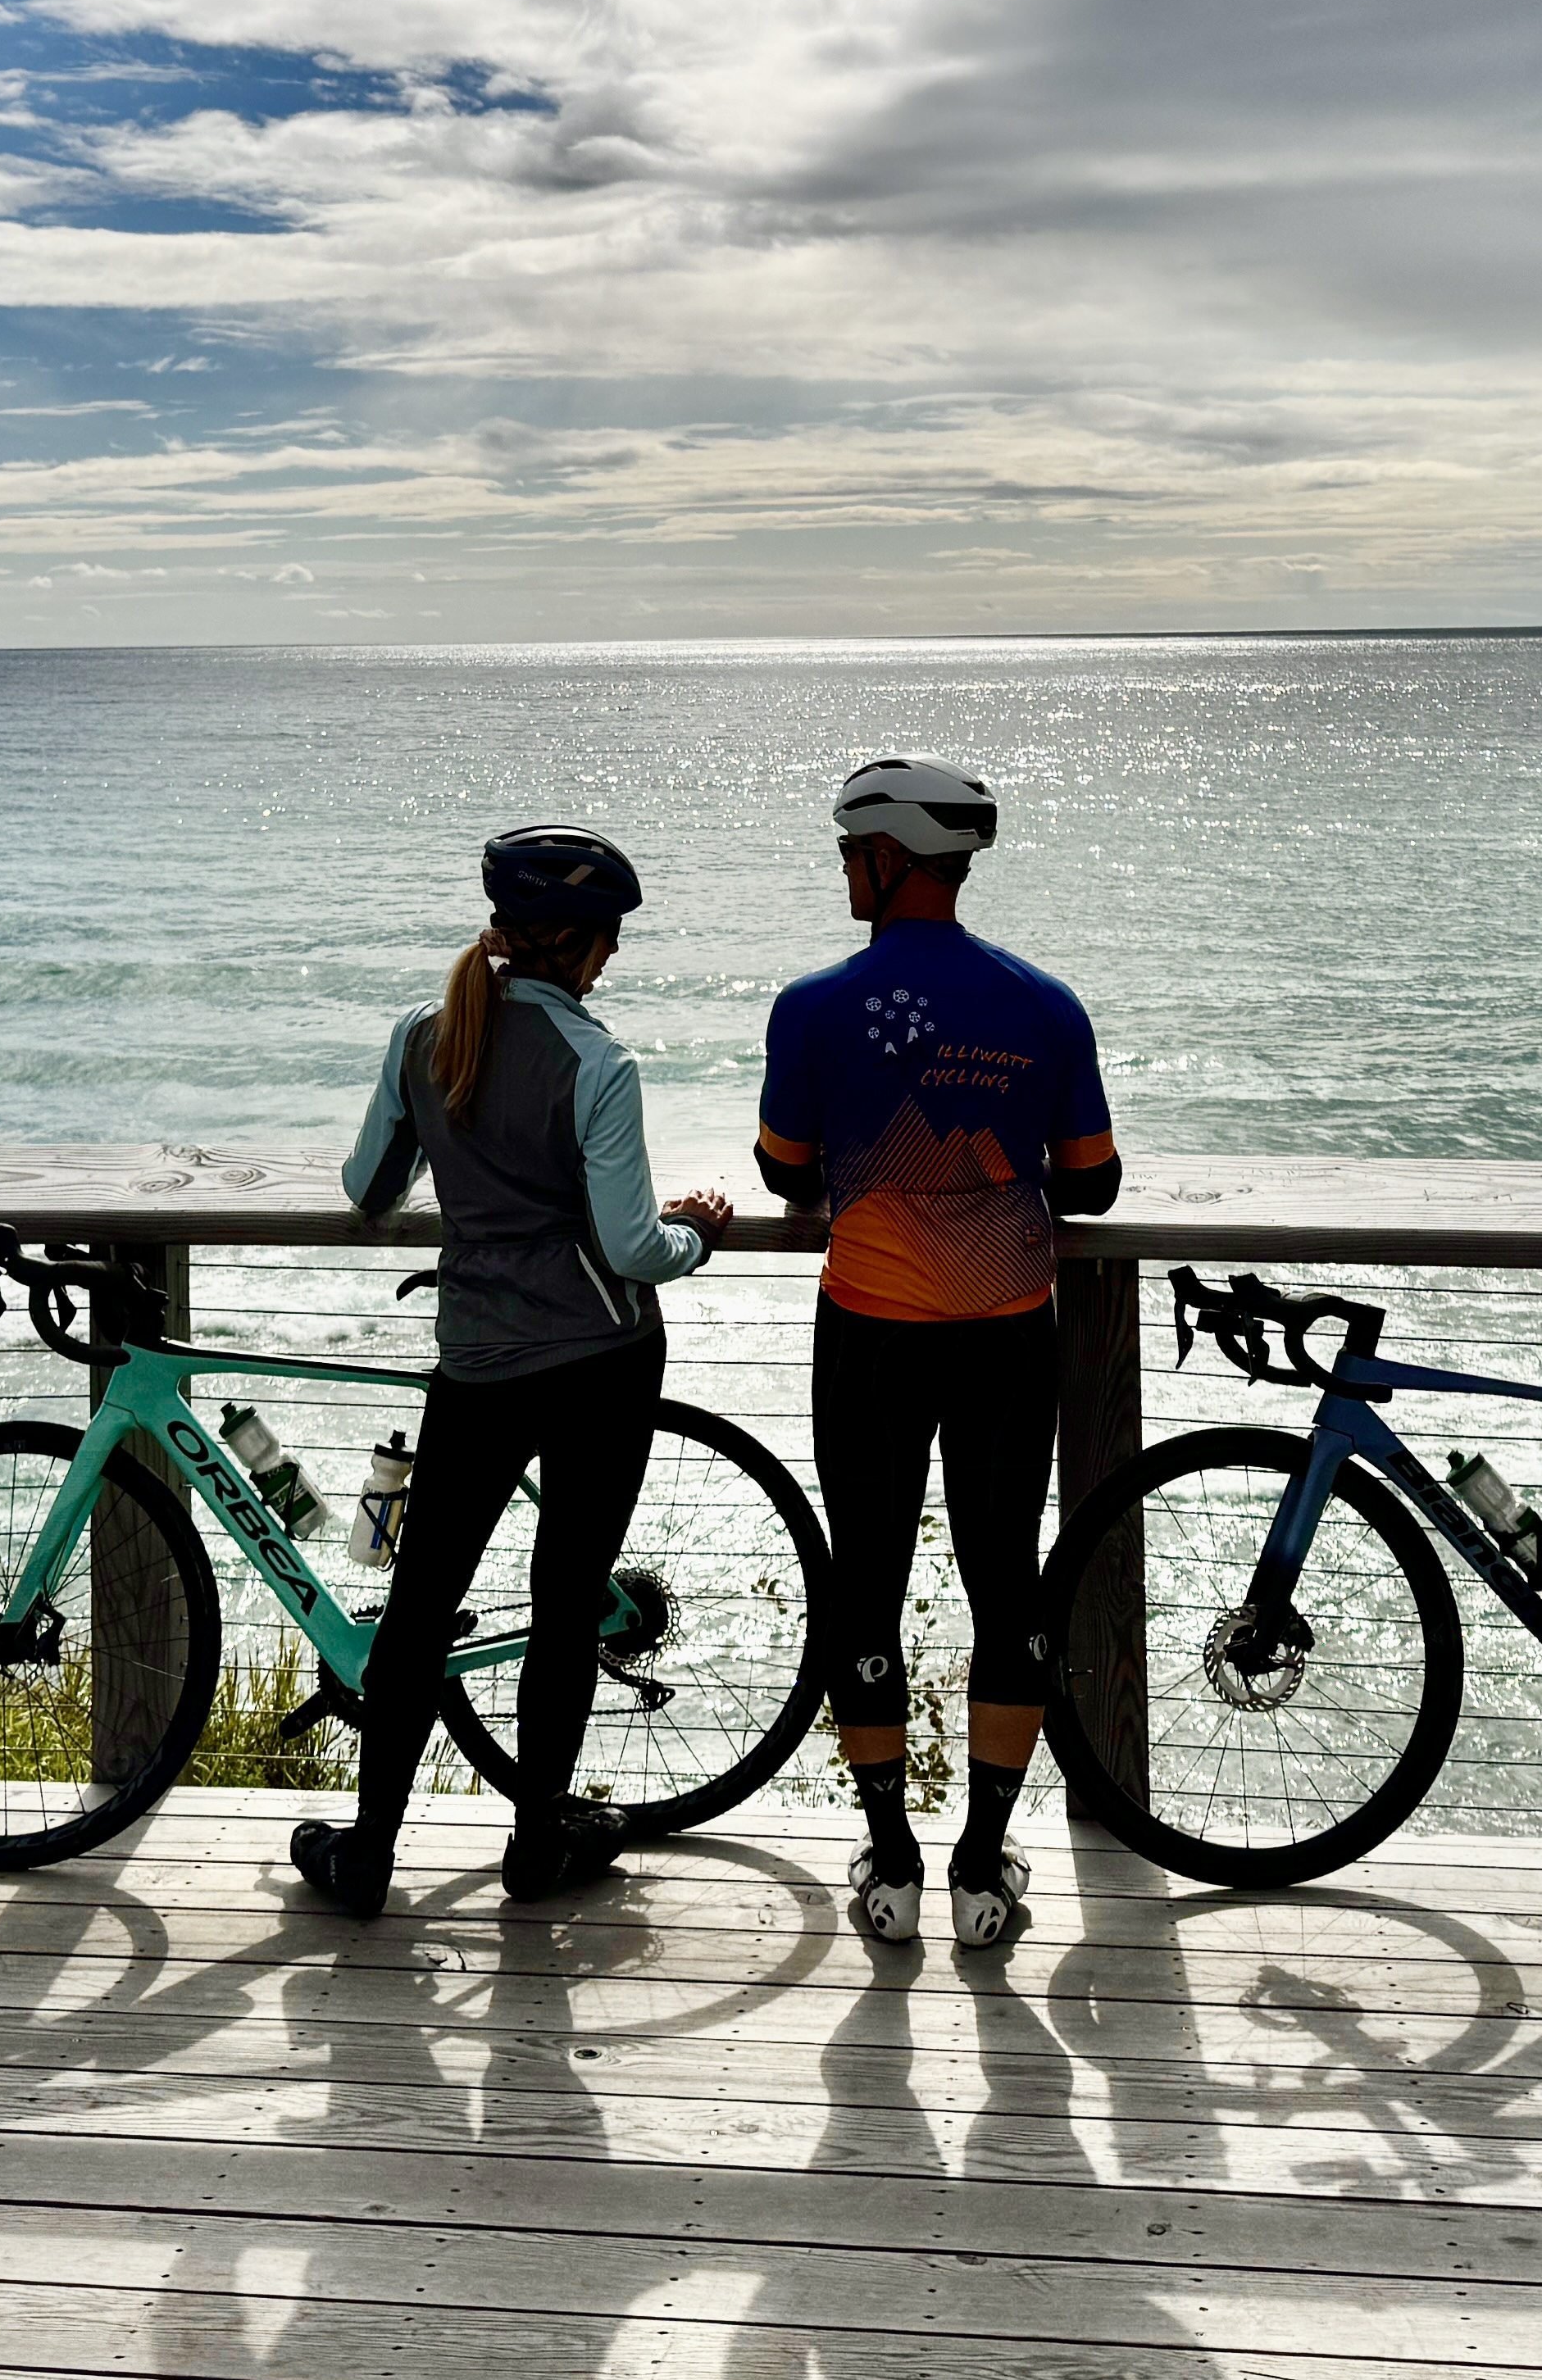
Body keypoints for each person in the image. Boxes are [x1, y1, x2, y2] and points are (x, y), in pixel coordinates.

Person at [294, 822, 736, 1919]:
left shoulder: (425, 1034)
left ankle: (370, 1853)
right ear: (579, 941)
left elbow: (369, 1188)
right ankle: (536, 1841)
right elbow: (634, 1249)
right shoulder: (599, 1062)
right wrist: (699, 1235)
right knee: (564, 1599)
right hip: (601, 1364)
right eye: (610, 938)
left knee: (420, 1603)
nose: (616, 958)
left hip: (479, 1362)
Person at [753, 756, 1119, 1951]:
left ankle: (892, 1862)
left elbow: (784, 1169)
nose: (844, 876)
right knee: (1002, 1580)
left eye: (850, 856)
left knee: (868, 1580)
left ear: (888, 860)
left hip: (869, 1331)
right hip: (1009, 1334)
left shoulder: (811, 1006)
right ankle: (981, 1864)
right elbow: (1096, 1184)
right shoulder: (1046, 1004)